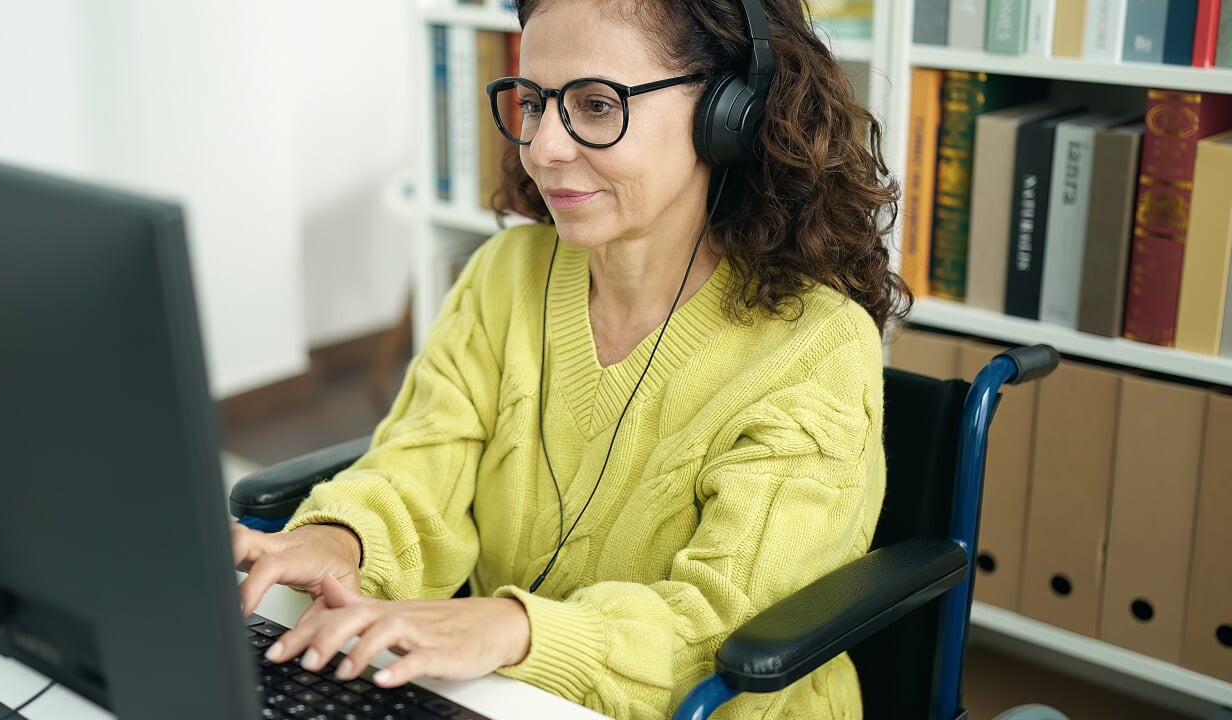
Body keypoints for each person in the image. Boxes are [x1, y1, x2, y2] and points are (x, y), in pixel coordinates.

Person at [230, 0, 909, 716]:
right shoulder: (505, 273)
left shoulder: (815, 346)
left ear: (729, 113)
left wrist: (516, 629)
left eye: (594, 103)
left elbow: (722, 625)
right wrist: (343, 539)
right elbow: (421, 466)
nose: (545, 146)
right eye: (534, 101)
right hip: (506, 696)